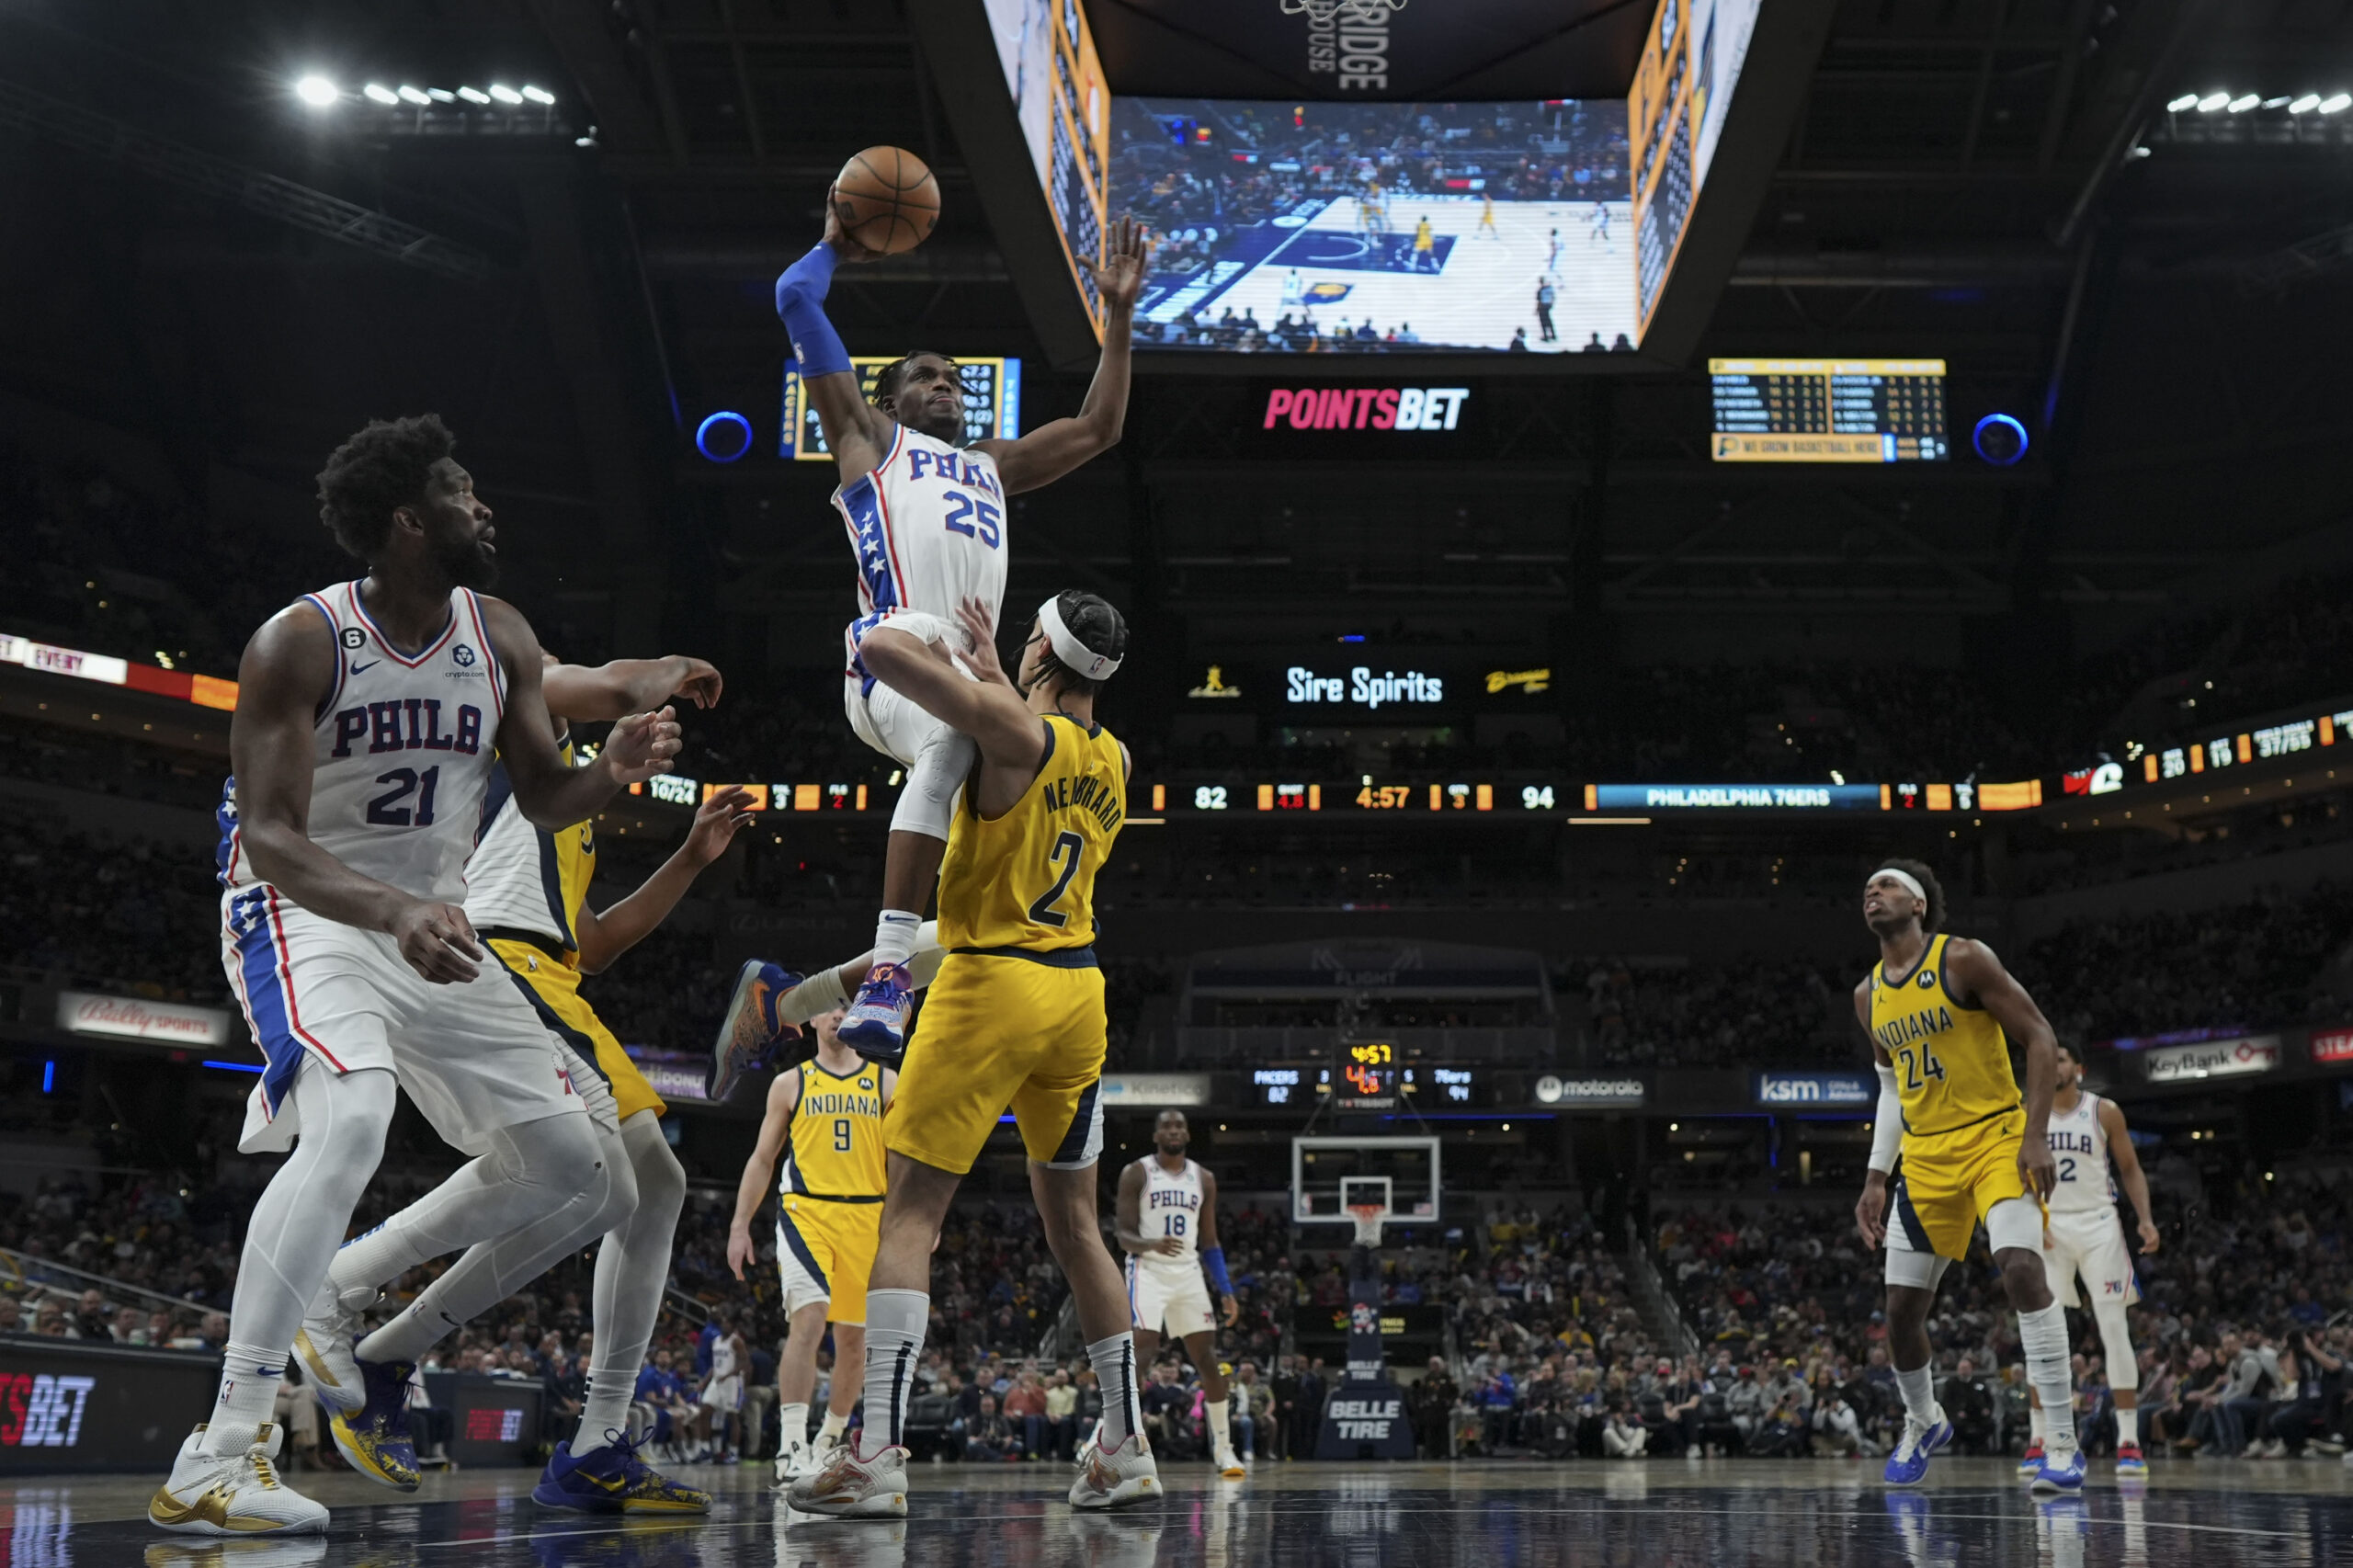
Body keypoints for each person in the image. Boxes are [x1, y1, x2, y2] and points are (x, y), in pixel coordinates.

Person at [152, 415, 678, 1537]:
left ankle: (339, 1286)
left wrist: (615, 769)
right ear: (406, 520)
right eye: (459, 489)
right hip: (307, 912)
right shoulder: (300, 641)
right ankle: (221, 1448)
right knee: (350, 1120)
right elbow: (272, 836)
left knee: (577, 1166)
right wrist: (391, 909)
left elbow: (545, 796)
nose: (483, 505)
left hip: (429, 924)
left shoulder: (500, 633)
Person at [785, 590, 1154, 1517]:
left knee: (909, 1215)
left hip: (991, 983)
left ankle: (874, 1456)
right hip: (1078, 994)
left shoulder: (1013, 733)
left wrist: (947, 651)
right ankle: (1125, 1445)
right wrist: (998, 675)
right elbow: (1036, 747)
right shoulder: (1115, 758)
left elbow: (881, 653)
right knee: (1078, 1229)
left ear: (1043, 650)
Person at [770, 195, 1148, 1062]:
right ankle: (888, 973)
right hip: (894, 655)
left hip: (977, 671)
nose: (946, 385)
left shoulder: (992, 465)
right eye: (927, 377)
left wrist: (1120, 317)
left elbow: (1100, 427)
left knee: (1016, 853)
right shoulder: (868, 441)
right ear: (890, 396)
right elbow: (794, 296)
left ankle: (793, 1000)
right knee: (953, 738)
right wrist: (835, 247)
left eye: (954, 379)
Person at [435, 649, 737, 1513]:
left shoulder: (569, 807)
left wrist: (690, 858)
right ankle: (371, 1323)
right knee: (612, 1182)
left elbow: (593, 943)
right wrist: (677, 665)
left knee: (646, 1184)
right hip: (506, 962)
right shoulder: (516, 752)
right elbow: (594, 681)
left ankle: (597, 1438)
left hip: (554, 976)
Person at [1853, 861, 2079, 1494]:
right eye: (1869, 888)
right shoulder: (1868, 996)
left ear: (1919, 905)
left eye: (1888, 885)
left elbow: (2039, 1037)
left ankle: (2061, 1441)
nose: (1874, 893)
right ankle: (1924, 1420)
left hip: (1996, 1138)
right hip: (1926, 1157)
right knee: (1901, 1312)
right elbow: (1892, 1091)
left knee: (2021, 1268)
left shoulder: (1963, 959)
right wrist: (1876, 1176)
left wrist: (2035, 1134)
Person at [725, 1003, 894, 1481]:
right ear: (812, 1021)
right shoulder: (790, 1083)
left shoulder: (886, 1082)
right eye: (828, 1007)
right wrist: (740, 1224)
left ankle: (829, 1439)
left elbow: (905, 1157)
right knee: (809, 1319)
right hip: (807, 1212)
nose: (837, 1014)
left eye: (846, 1006)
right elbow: (762, 1158)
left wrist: (918, 1216)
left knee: (854, 1340)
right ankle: (792, 1444)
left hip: (869, 1215)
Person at [2019, 1040, 2160, 1480]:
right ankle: (2039, 1438)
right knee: (2043, 1332)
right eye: (2049, 1059)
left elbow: (2130, 1168)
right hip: (2050, 1227)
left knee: (2114, 1328)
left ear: (2078, 1068)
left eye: (2061, 1059)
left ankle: (2128, 1441)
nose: (2054, 1065)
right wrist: (2030, 1218)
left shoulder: (2104, 1111)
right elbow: (2015, 1171)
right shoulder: (2028, 1112)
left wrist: (2145, 1220)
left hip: (2099, 1224)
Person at [1106, 1109, 1245, 1478]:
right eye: (1166, 1126)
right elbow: (1123, 1236)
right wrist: (1152, 1243)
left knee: (1208, 1360)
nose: (1173, 1131)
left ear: (1187, 1134)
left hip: (1187, 1272)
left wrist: (1226, 1289)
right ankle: (1117, 1440)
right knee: (1142, 1350)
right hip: (1148, 1268)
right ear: (1156, 1135)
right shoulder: (1136, 1172)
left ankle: (1224, 1448)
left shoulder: (1204, 1178)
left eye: (1179, 1126)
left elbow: (1210, 1242)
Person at [1534, 279, 1557, 344]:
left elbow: (1539, 302)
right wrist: (1551, 304)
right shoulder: (1550, 288)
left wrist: (1537, 310)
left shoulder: (1540, 290)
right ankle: (1553, 335)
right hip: (1548, 306)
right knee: (1549, 321)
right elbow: (1553, 297)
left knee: (1543, 322)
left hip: (1542, 307)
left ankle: (1546, 336)